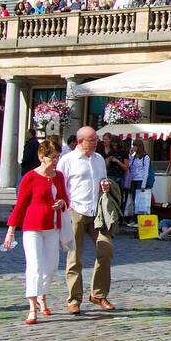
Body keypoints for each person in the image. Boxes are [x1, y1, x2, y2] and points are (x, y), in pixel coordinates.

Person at [4, 140, 69, 325]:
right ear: (42, 157)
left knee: (51, 267)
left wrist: (62, 203)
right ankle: (32, 307)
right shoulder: (30, 177)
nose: (55, 160)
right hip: (32, 227)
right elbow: (20, 205)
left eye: (58, 156)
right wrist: (11, 230)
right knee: (35, 267)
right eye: (52, 157)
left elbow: (65, 198)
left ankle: (42, 294)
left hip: (52, 227)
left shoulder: (59, 176)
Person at [57, 126, 116, 314]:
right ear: (81, 141)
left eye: (96, 139)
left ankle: (98, 294)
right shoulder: (67, 161)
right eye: (93, 139)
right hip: (75, 211)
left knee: (106, 249)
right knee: (75, 258)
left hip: (97, 212)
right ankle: (74, 299)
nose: (97, 142)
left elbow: (102, 181)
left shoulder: (99, 159)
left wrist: (105, 185)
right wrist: (65, 208)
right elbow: (59, 187)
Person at [124, 140, 152, 226]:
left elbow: (146, 171)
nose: (133, 147)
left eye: (135, 146)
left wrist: (144, 184)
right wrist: (130, 154)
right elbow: (129, 166)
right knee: (133, 200)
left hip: (140, 180)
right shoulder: (133, 156)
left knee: (139, 201)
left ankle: (139, 220)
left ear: (139, 146)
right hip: (133, 180)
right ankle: (134, 219)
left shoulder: (145, 157)